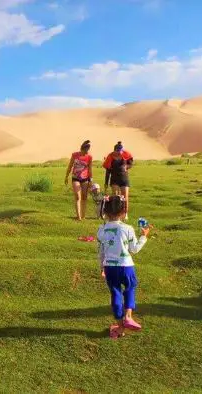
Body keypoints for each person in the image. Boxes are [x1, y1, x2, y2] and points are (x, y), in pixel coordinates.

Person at [96, 195, 150, 339]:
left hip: (110, 267)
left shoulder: (101, 230)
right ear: (123, 212)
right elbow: (134, 249)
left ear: (105, 212)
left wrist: (102, 268)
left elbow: (100, 252)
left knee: (115, 293)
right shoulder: (127, 228)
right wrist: (144, 237)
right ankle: (128, 316)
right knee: (130, 287)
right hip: (126, 266)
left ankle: (120, 327)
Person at [102, 141, 133, 220]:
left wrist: (127, 167)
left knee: (124, 197)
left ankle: (125, 213)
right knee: (115, 196)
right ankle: (115, 213)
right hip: (114, 179)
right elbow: (108, 170)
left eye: (120, 151)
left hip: (124, 178)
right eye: (117, 151)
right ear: (114, 150)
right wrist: (106, 182)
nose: (119, 153)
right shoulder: (110, 156)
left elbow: (130, 163)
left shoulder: (125, 155)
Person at [64, 140, 93, 220]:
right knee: (77, 196)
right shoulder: (75, 155)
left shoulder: (89, 157)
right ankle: (78, 216)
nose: (86, 152)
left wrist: (91, 180)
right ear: (82, 149)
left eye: (88, 150)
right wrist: (66, 176)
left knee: (84, 197)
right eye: (85, 150)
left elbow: (90, 169)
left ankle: (83, 215)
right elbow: (70, 166)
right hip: (75, 178)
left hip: (85, 178)